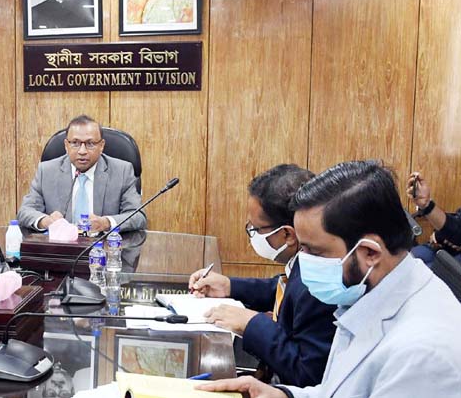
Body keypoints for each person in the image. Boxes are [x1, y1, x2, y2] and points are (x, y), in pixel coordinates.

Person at [197, 160, 461, 398]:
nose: (304, 260)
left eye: (315, 251)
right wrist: (285, 396)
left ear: (370, 252)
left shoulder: (422, 355)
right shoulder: (373, 290)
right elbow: (343, 389)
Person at [189, 165, 335, 387]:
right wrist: (229, 286)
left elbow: (307, 375)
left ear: (287, 234)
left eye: (256, 229)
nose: (251, 234)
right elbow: (281, 289)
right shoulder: (299, 266)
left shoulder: (317, 283)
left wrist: (252, 324)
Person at [17, 115, 146, 233]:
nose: (82, 151)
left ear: (101, 146)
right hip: (60, 251)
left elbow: (138, 216)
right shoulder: (46, 171)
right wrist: (45, 221)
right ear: (66, 145)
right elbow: (25, 211)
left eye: (90, 144)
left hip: (104, 250)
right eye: (75, 143)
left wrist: (105, 223)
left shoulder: (122, 171)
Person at [406, 172, 461, 266]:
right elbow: (457, 224)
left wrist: (427, 205)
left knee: (420, 273)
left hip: (453, 257)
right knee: (404, 261)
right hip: (440, 247)